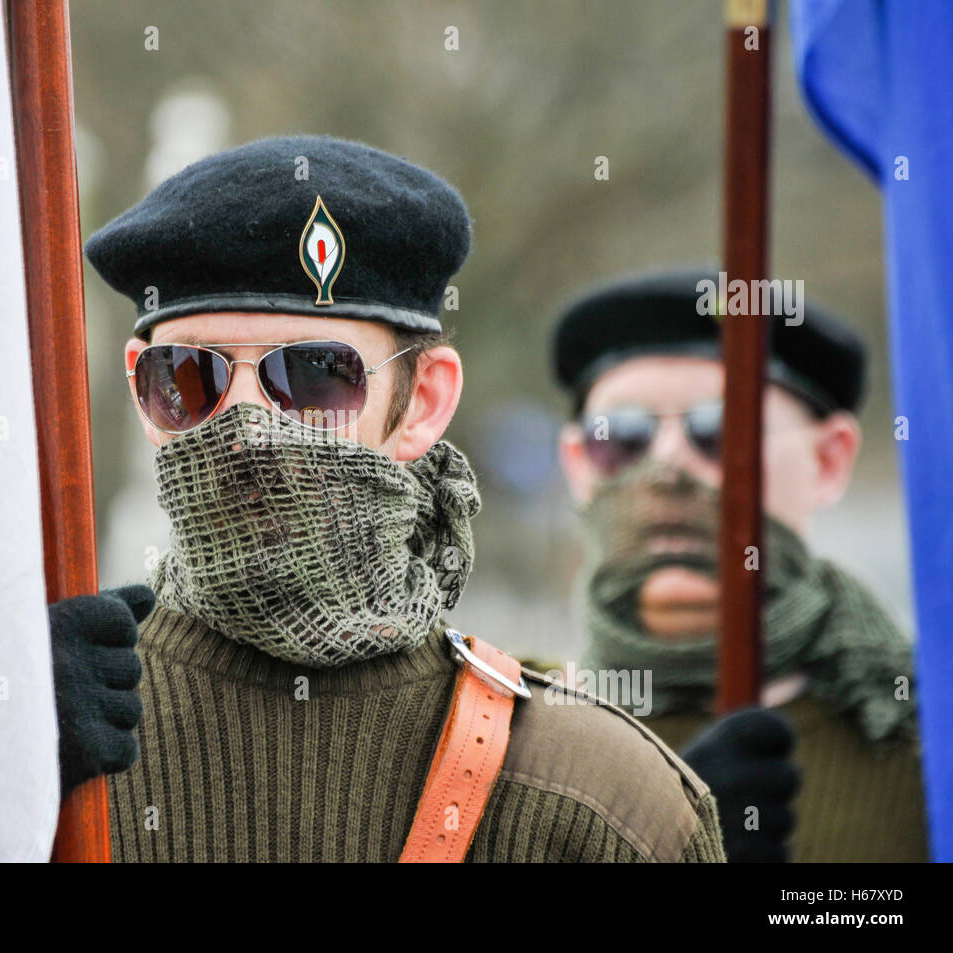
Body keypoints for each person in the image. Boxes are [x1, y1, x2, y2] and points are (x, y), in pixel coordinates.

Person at [64, 135, 726, 862]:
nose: (243, 427)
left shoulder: (605, 805)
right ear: (140, 387)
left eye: (314, 374)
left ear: (424, 401)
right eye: (189, 375)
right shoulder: (48, 751)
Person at [550, 268, 927, 862]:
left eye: (722, 430)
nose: (666, 466)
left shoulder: (927, 743)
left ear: (829, 459)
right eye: (622, 435)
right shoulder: (489, 743)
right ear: (577, 464)